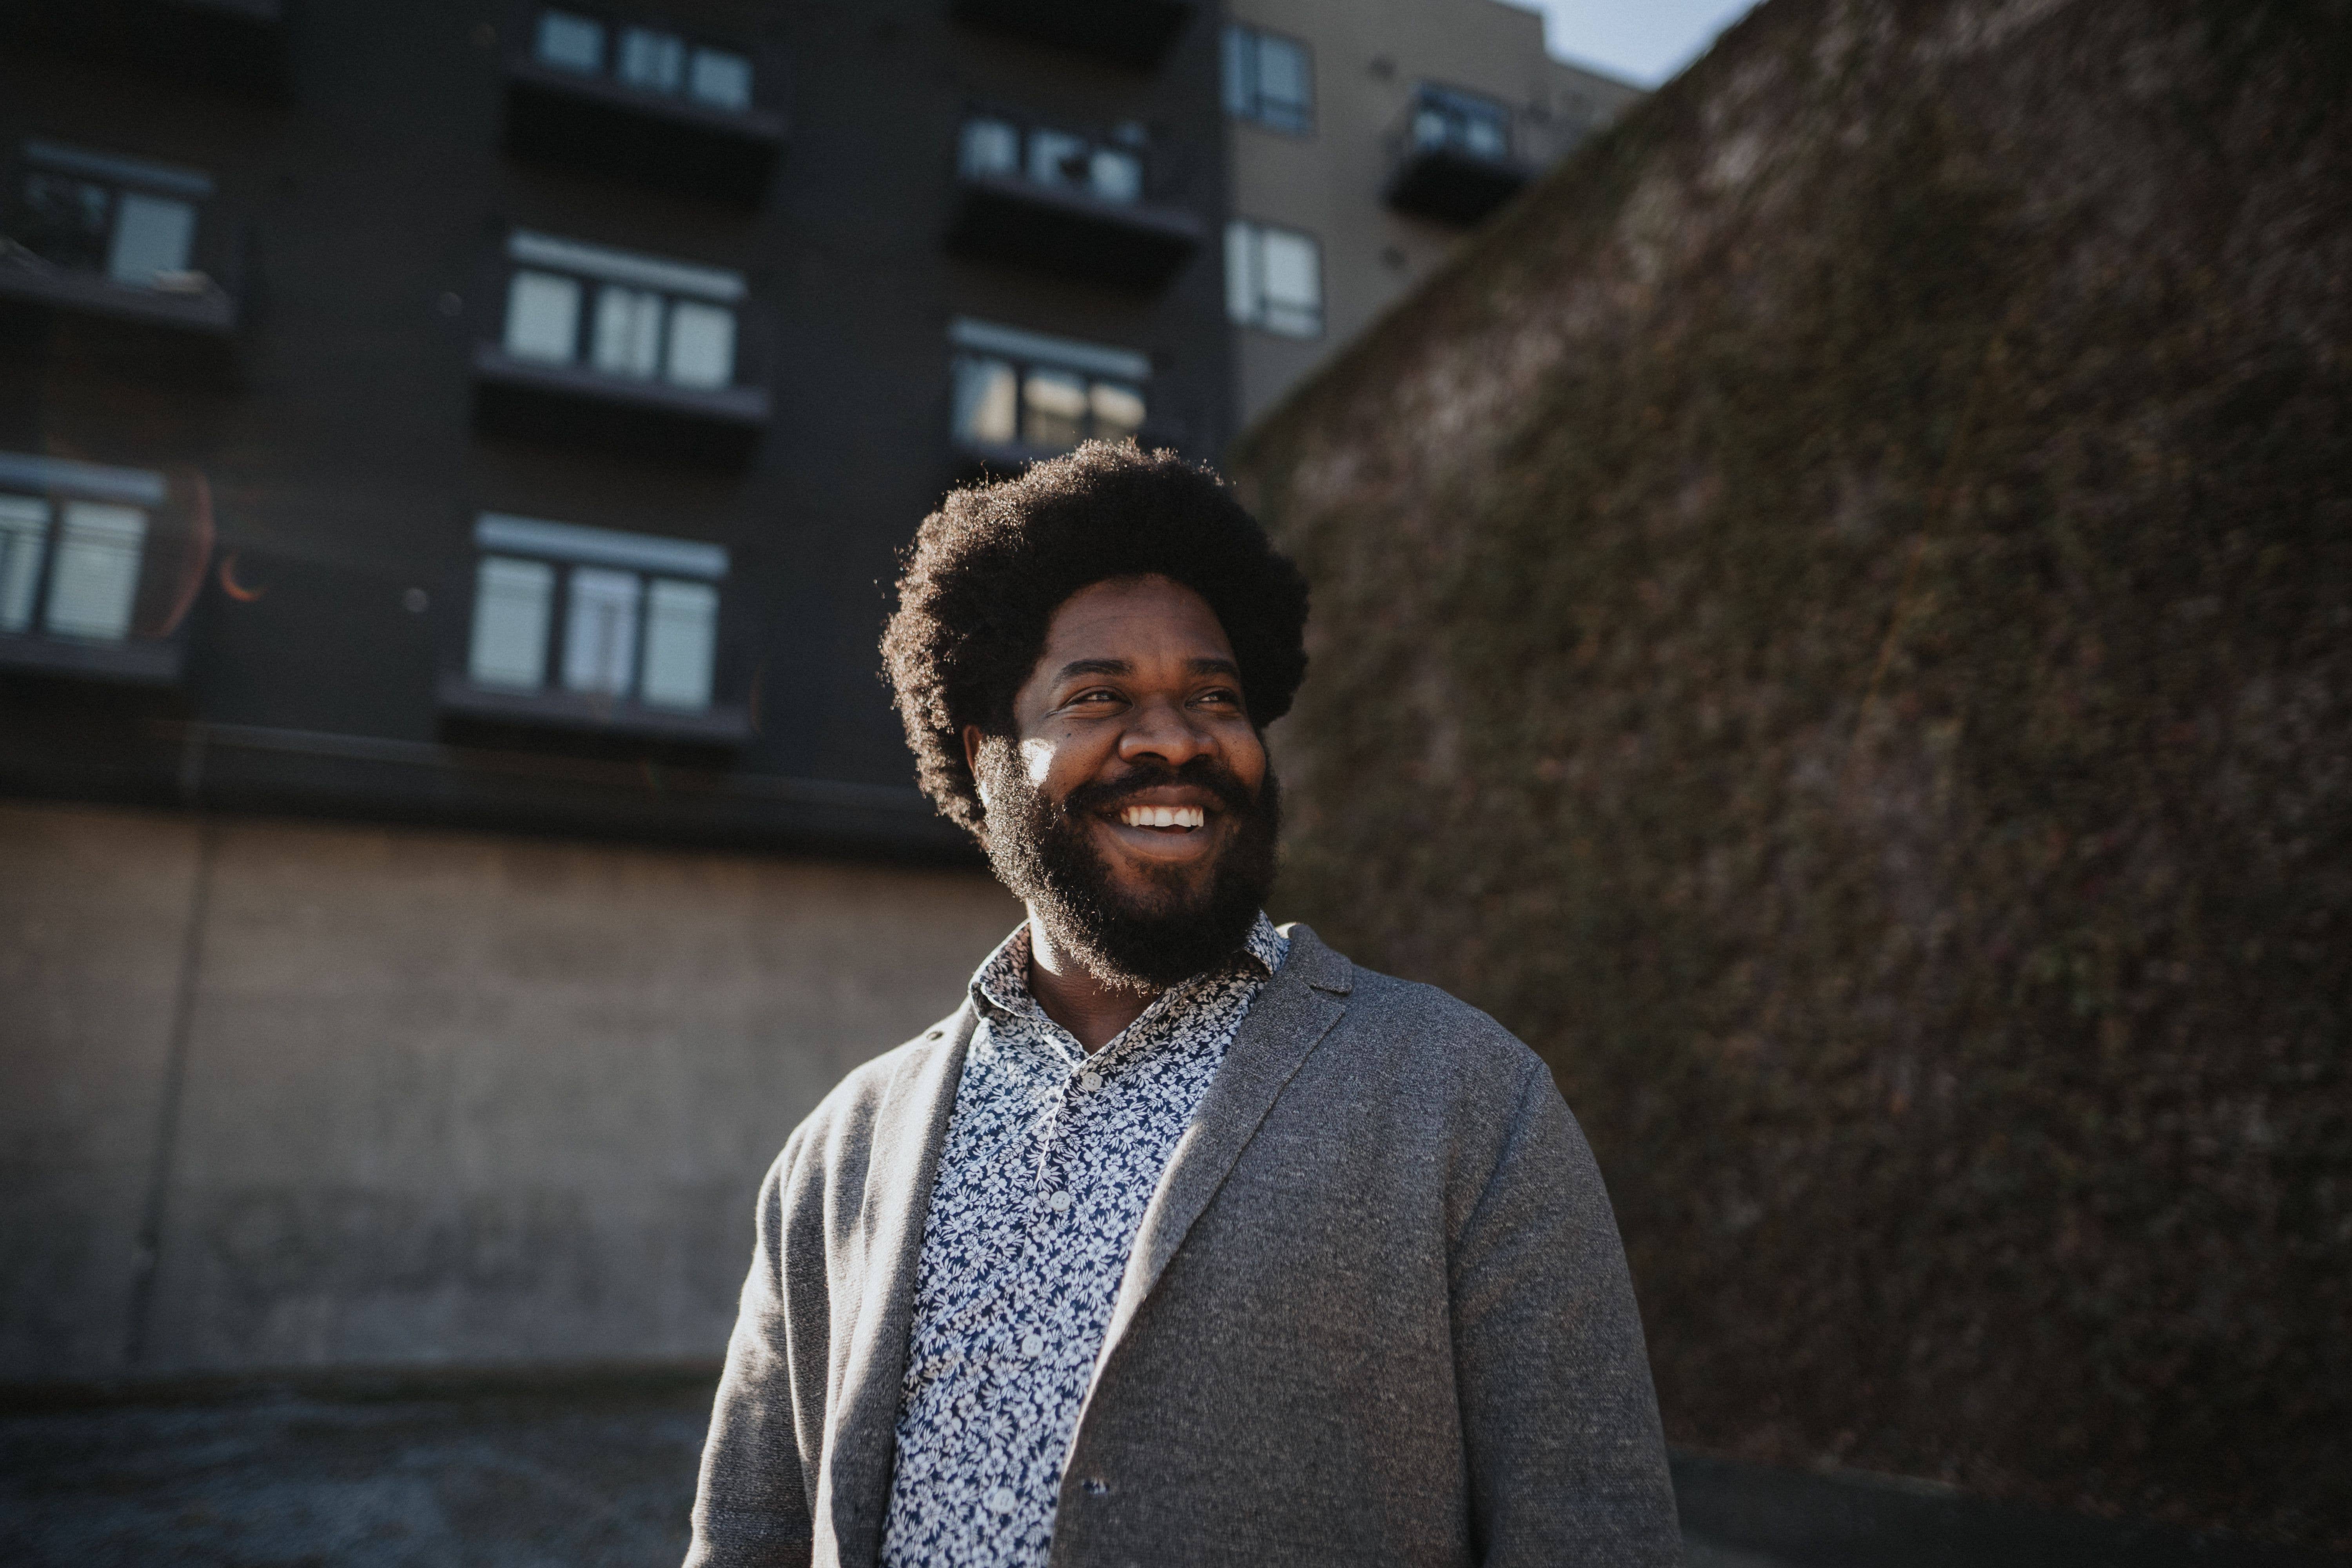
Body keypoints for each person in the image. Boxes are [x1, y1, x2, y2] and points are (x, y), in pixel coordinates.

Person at [686, 442, 1678, 1567]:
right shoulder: (840, 1153)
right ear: (985, 752)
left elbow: (1594, 1531)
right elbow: (750, 1535)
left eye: (1215, 697)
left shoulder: (1468, 1102)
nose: (1174, 738)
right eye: (1099, 696)